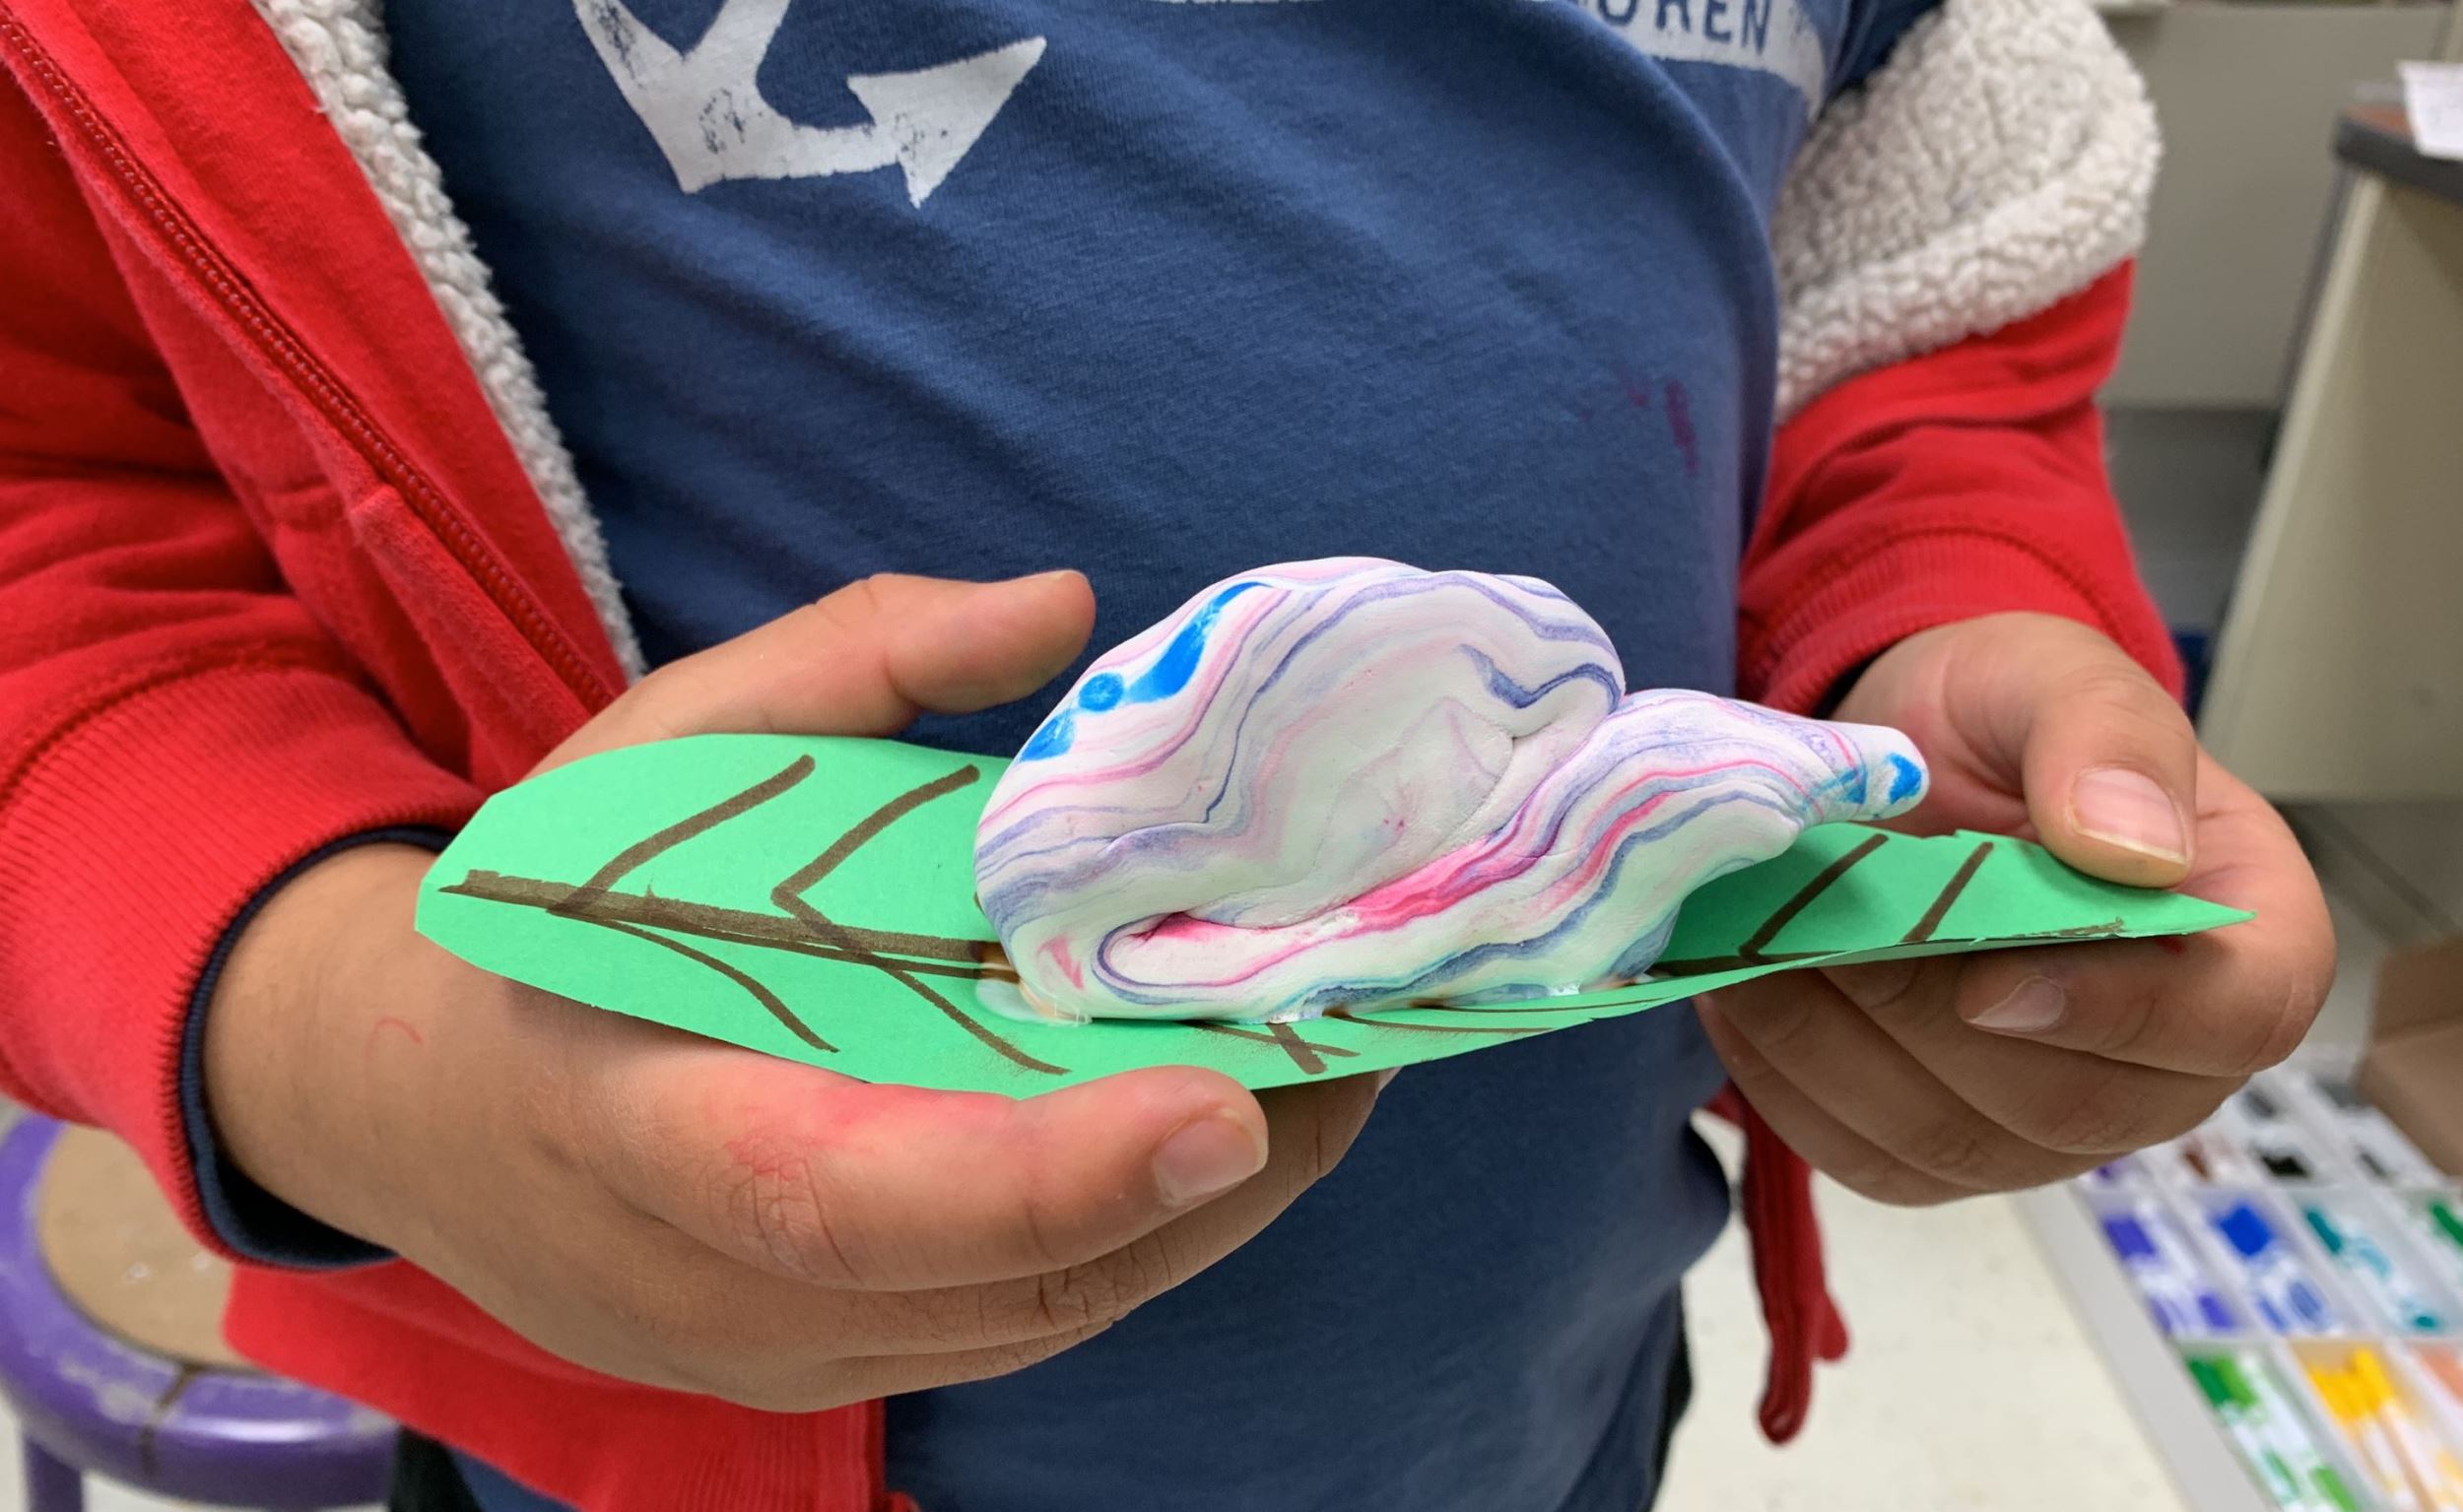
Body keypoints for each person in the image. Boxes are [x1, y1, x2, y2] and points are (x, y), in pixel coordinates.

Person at [0, 0, 2334, 1508]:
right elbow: (49, 504)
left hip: (1541, 1388)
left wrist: (1940, 599)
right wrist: (335, 1031)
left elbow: (1918, 251)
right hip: (665, 1430)